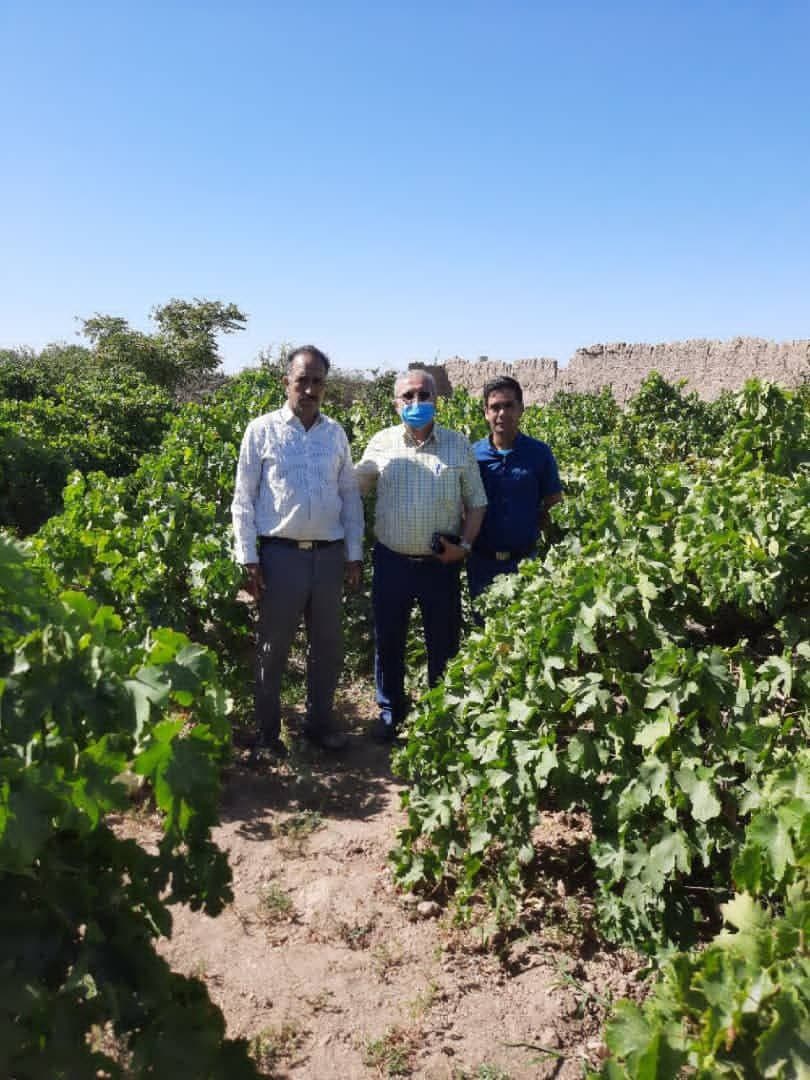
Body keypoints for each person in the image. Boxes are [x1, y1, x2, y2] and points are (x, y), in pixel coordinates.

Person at [231, 345, 363, 758]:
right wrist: (248, 557)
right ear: (285, 382)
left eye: (317, 381)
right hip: (280, 556)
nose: (309, 389)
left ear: (325, 386)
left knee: (326, 647)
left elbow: (349, 495)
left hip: (328, 556)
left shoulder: (335, 434)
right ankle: (267, 735)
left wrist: (354, 553)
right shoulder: (261, 430)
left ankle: (319, 725)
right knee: (273, 647)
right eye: (302, 380)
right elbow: (243, 499)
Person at [356, 369, 487, 741]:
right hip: (391, 561)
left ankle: (439, 715)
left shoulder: (457, 445)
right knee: (389, 641)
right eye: (408, 396)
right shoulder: (381, 443)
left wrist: (464, 547)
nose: (416, 403)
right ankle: (391, 712)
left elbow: (477, 503)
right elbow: (356, 488)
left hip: (439, 565)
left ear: (436, 399)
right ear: (396, 403)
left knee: (443, 643)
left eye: (424, 395)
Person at [468, 375, 562, 602]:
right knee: (485, 622)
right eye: (495, 407)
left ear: (521, 409)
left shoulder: (539, 453)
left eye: (509, 405)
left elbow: (553, 502)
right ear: (486, 413)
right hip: (482, 565)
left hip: (525, 564)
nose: (502, 413)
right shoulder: (471, 455)